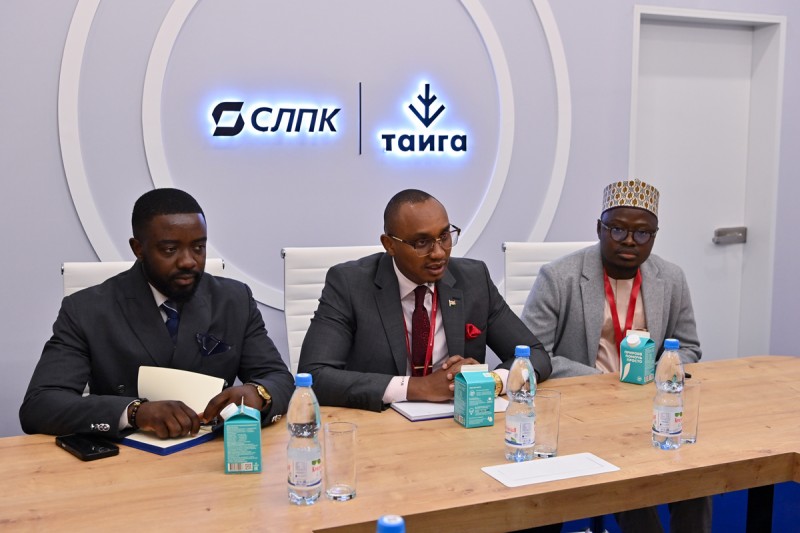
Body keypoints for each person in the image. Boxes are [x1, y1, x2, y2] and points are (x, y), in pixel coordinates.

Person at [20, 188, 294, 439]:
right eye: (170, 250)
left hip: (213, 453)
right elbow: (40, 405)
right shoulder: (87, 309)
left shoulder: (234, 299)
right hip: (127, 459)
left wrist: (258, 394)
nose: (188, 261)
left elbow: (279, 378)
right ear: (138, 249)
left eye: (198, 247)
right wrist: (134, 412)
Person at [521, 179, 710, 532]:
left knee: (697, 478)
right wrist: (607, 383)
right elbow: (534, 354)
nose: (629, 240)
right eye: (618, 229)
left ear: (654, 236)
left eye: (642, 233)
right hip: (581, 408)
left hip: (650, 404)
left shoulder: (671, 278)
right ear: (599, 228)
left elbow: (689, 347)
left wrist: (657, 374)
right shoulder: (558, 276)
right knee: (632, 484)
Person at [298, 189, 552, 411]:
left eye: (444, 236)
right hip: (379, 424)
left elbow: (535, 355)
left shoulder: (474, 280)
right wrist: (419, 387)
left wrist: (491, 381)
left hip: (456, 423)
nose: (439, 253)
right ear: (389, 245)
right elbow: (315, 376)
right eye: (422, 242)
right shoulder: (349, 284)